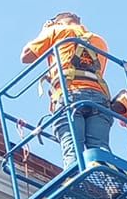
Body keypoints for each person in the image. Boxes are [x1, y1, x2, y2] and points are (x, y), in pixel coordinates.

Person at [20, 12, 112, 167]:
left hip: (70, 94)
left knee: (73, 148)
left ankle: (76, 183)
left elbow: (26, 56)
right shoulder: (99, 41)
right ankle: (111, 185)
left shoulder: (57, 31)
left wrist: (46, 31)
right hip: (98, 97)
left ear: (59, 22)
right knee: (100, 147)